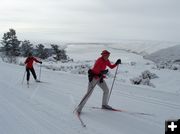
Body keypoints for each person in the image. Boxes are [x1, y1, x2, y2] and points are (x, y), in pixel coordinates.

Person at [76, 50, 121, 114]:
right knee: (88, 94)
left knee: (106, 90)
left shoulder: (107, 60)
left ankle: (104, 105)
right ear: (103, 55)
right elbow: (95, 70)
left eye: (108, 55)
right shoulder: (99, 60)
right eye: (107, 55)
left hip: (99, 78)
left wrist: (116, 63)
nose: (108, 56)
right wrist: (102, 72)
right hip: (94, 78)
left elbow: (111, 67)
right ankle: (79, 108)